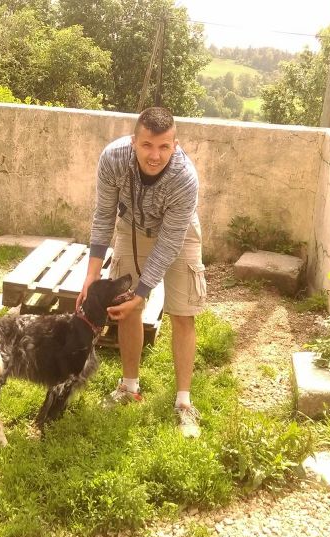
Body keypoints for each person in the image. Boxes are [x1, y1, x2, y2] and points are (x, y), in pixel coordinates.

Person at [77, 107, 207, 438]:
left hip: (177, 233)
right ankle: (129, 386)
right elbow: (104, 215)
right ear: (134, 141)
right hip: (131, 226)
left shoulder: (184, 178)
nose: (155, 155)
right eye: (148, 145)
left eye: (164, 146)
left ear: (175, 145)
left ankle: (183, 402)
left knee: (183, 313)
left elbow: (169, 244)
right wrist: (91, 276)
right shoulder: (113, 159)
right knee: (126, 309)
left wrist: (143, 293)